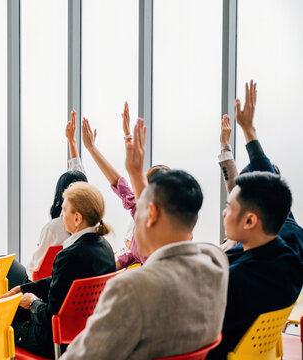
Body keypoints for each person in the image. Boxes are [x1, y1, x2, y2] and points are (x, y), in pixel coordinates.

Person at [60, 119, 229, 360]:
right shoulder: (216, 264)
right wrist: (134, 173)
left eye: (139, 212)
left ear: (151, 216)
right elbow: (133, 198)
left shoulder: (132, 290)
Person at [207, 81, 303, 359]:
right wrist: (249, 132)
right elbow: (268, 183)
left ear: (250, 220)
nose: (225, 212)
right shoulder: (290, 240)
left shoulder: (236, 280)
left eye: (229, 206)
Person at [1, 182, 116, 358]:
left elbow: (50, 317)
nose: (61, 215)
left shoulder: (68, 255)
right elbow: (63, 283)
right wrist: (23, 289)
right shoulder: (105, 248)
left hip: (53, 340)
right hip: (84, 331)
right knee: (17, 306)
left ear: (77, 218)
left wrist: (32, 302)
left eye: (64, 210)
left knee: (5, 328)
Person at [81, 102, 169, 269]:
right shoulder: (144, 213)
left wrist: (92, 148)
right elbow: (118, 182)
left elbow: (118, 182)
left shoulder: (155, 219)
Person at [7, 110, 87, 288]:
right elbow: (82, 186)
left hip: (45, 287)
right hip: (74, 287)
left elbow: (35, 269)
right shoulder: (93, 225)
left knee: (7, 264)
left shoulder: (54, 227)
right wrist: (72, 142)